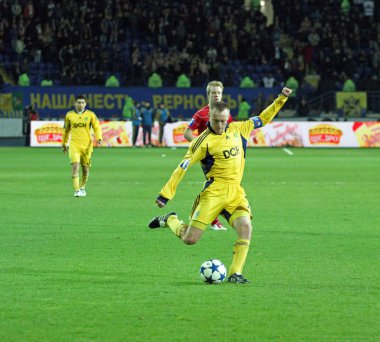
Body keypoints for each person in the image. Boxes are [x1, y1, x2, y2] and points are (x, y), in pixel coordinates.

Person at [149, 87, 292, 284]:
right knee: (190, 239)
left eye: (224, 121)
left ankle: (236, 273)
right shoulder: (202, 142)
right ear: (210, 118)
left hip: (235, 192)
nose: (220, 125)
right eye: (216, 121)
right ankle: (171, 220)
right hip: (214, 193)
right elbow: (182, 167)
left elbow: (263, 118)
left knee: (245, 227)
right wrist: (165, 194)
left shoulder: (239, 129)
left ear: (228, 118)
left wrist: (281, 98)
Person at [183, 80, 233, 231]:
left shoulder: (226, 114)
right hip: (208, 157)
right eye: (213, 93)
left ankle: (207, 215)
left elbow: (231, 134)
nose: (216, 95)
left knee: (223, 185)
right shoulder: (201, 113)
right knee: (215, 185)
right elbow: (187, 133)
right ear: (208, 95)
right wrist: (202, 146)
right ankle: (213, 220)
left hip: (225, 155)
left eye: (218, 92)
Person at [62, 95, 103, 197]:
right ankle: (76, 190)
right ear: (75, 103)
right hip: (74, 145)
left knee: (85, 169)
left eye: (82, 102)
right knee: (75, 166)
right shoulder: (69, 115)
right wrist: (64, 143)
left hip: (87, 146)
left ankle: (83, 187)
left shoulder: (90, 115)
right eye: (78, 102)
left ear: (85, 104)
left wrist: (99, 138)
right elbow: (66, 131)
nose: (80, 104)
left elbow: (96, 127)